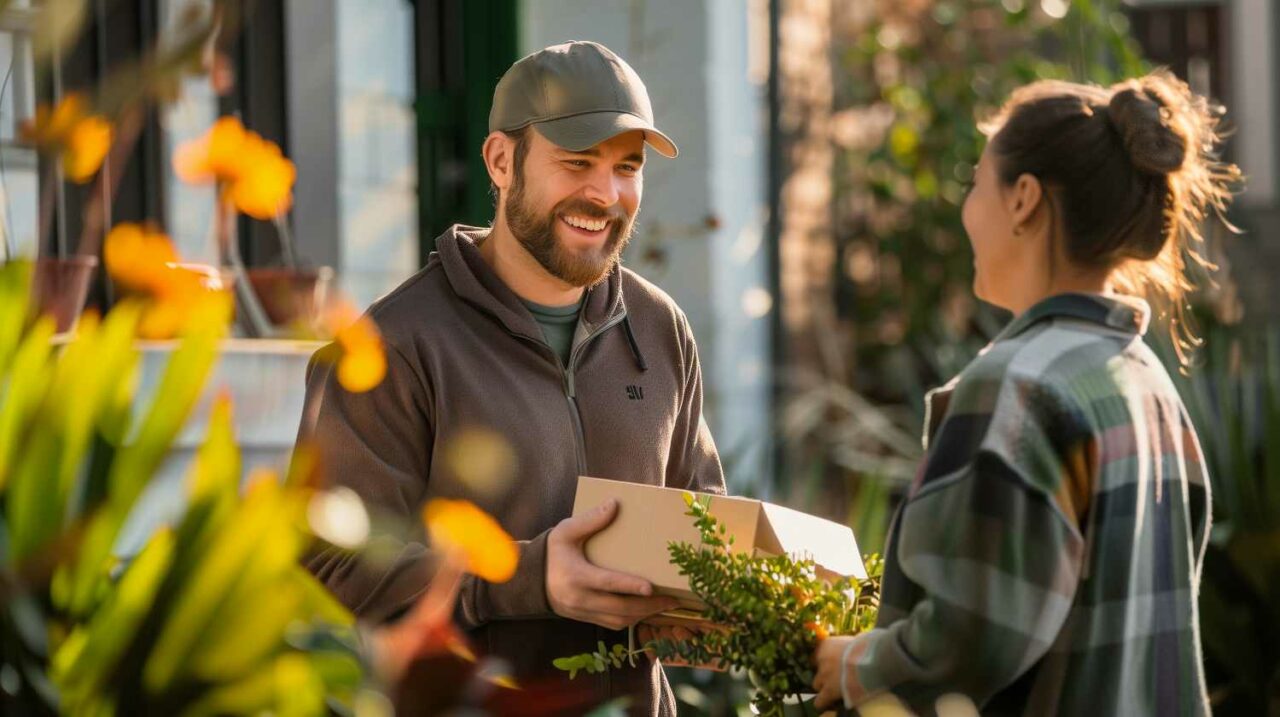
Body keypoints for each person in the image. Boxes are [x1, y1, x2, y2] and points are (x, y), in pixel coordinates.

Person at [297, 41, 725, 716]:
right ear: (501, 160)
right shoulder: (392, 346)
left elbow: (700, 530)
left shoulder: (660, 327)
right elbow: (330, 569)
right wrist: (527, 578)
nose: (605, 195)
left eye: (627, 168)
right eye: (577, 162)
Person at [813, 70, 1239, 715]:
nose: (967, 210)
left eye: (976, 183)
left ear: (1024, 200)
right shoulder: (1144, 380)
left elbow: (966, 644)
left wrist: (851, 663)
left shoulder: (1015, 385)